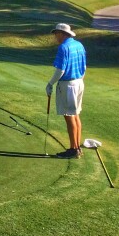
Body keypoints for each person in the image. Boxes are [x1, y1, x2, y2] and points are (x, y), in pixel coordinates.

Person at [45, 22, 86, 159]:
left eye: (56, 34)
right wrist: (79, 81)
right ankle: (77, 148)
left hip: (68, 85)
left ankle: (73, 150)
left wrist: (50, 84)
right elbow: (84, 67)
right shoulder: (79, 45)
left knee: (69, 117)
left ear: (62, 34)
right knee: (76, 115)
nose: (55, 36)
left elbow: (60, 70)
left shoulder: (63, 47)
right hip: (79, 82)